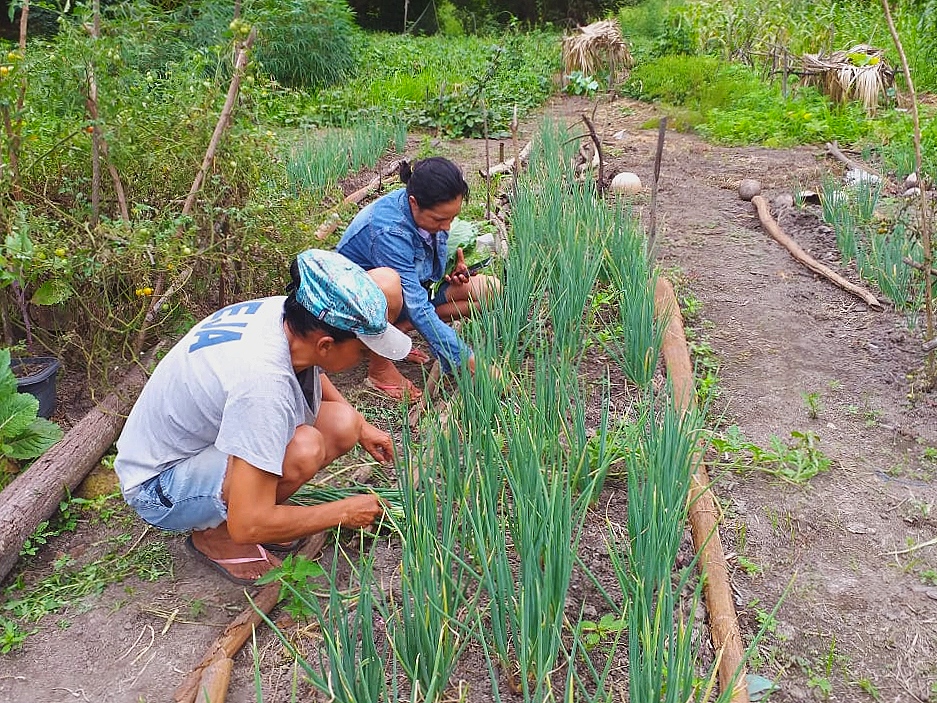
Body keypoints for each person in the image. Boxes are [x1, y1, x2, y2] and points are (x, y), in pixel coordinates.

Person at [114, 249, 412, 585]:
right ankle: (215, 536)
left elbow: (311, 369)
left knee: (344, 423)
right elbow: (249, 523)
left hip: (198, 447)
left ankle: (252, 511)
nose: (364, 357)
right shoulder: (262, 387)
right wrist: (343, 512)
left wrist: (362, 425)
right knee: (304, 449)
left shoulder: (288, 314)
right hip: (158, 485)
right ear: (326, 345)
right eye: (361, 350)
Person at [337, 157, 498, 402]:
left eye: (452, 219)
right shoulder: (389, 230)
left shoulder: (429, 217)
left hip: (405, 300)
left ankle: (394, 337)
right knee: (389, 284)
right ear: (414, 203)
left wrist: (451, 268)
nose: (446, 227)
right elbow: (415, 302)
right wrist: (467, 359)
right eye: (439, 220)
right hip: (355, 311)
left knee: (489, 289)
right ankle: (379, 369)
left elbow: (420, 276)